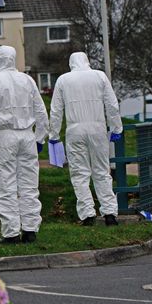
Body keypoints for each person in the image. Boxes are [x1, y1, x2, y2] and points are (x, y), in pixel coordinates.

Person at [0, 45, 49, 244]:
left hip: (4, 136)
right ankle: (30, 229)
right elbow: (41, 112)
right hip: (27, 136)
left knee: (6, 185)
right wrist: (40, 137)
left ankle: (10, 232)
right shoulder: (28, 80)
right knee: (29, 185)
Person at [49, 52, 122, 226]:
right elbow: (111, 104)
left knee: (79, 174)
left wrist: (54, 135)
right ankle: (110, 213)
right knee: (102, 172)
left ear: (71, 63)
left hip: (75, 130)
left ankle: (87, 214)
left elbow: (56, 110)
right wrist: (117, 127)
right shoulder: (99, 76)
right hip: (97, 129)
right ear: (87, 61)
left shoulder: (63, 80)